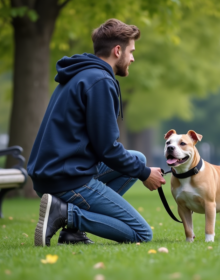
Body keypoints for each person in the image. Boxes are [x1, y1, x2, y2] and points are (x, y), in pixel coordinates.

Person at [27, 19, 166, 247]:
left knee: (138, 158)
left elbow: (102, 147)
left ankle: (73, 233)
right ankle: (65, 214)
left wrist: (140, 167)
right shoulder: (99, 80)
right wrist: (144, 173)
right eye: (131, 51)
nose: (133, 58)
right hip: (66, 178)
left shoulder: (81, 74)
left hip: (55, 171)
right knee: (141, 233)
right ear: (117, 50)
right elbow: (107, 149)